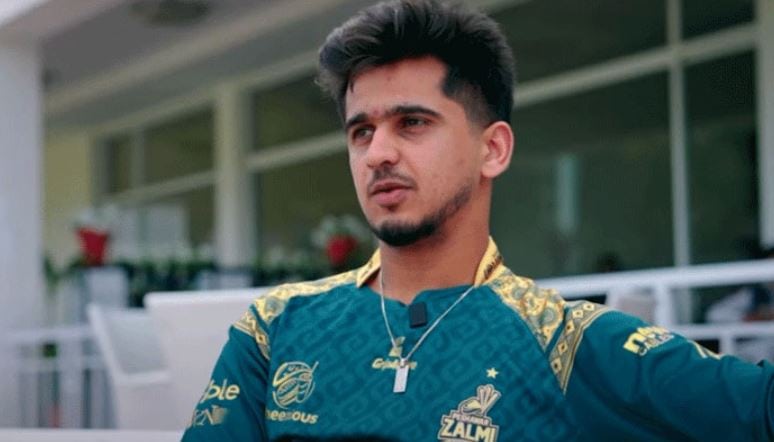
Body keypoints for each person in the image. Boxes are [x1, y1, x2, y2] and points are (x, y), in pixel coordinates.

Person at [182, 1, 774, 440]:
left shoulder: (566, 342)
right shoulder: (275, 328)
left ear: (492, 149)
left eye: (412, 123)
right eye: (361, 131)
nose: (378, 152)